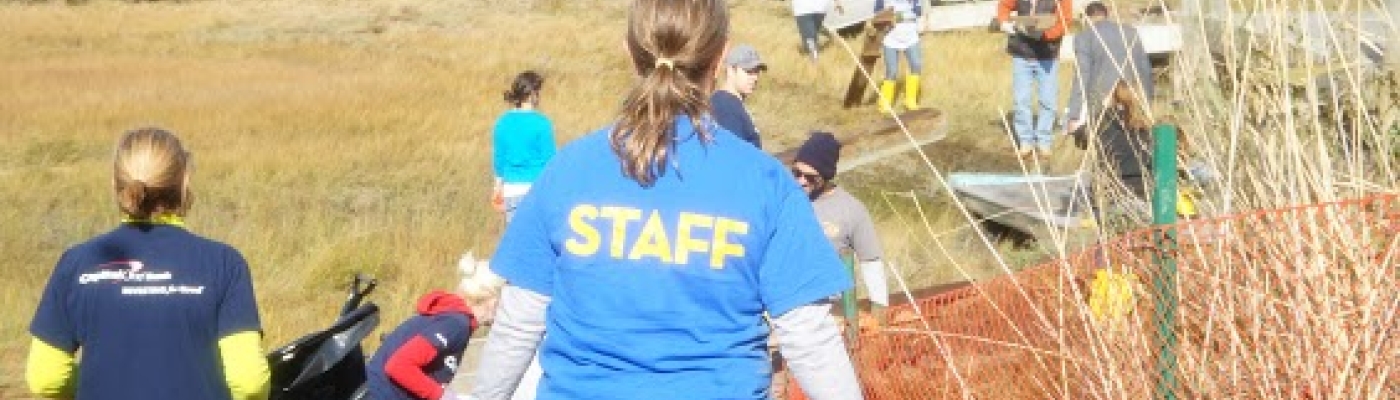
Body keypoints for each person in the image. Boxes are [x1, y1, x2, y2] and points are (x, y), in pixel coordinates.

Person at [470, 0, 862, 399]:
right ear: (721, 55)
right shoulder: (765, 181)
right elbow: (810, 338)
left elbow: (518, 323)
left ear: (629, 52)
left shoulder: (569, 170)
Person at [27, 127, 269, 400]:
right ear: (185, 181)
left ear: (115, 184)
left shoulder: (77, 263)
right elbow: (249, 382)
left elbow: (45, 378)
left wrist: (97, 383)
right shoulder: (224, 264)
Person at [790, 132, 890, 312]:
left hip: (828, 309)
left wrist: (879, 308)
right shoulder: (783, 200)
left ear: (826, 175)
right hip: (784, 304)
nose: (801, 181)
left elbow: (871, 261)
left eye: (810, 177)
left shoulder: (851, 210)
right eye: (796, 173)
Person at [365, 290, 478, 400]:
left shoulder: (447, 316)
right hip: (383, 393)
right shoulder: (456, 323)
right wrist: (443, 396)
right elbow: (399, 365)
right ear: (490, 301)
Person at [1065, 1, 1154, 139]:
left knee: (1107, 143)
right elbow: (1145, 70)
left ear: (1086, 19)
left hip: (1103, 103)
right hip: (1132, 96)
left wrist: (1074, 115)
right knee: (1136, 141)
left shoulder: (1083, 37)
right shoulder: (1130, 32)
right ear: (1107, 15)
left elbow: (1082, 76)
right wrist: (1147, 101)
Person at [997, 0, 1073, 157]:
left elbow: (1065, 20)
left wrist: (1044, 34)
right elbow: (1004, 5)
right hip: (1022, 53)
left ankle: (1043, 142)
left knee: (1048, 101)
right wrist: (1004, 21)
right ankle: (1026, 142)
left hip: (1047, 55)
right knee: (1021, 100)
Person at [492, 70, 557, 223]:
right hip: (536, 189)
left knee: (516, 241)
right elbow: (550, 160)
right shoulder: (542, 123)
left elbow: (499, 160)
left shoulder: (503, 122)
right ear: (532, 94)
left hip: (511, 190)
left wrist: (497, 188)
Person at [711, 43, 767, 149]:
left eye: (757, 72)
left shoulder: (731, 104)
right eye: (748, 71)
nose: (755, 78)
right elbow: (731, 155)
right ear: (731, 70)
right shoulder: (726, 108)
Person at [875, 0, 924, 113]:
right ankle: (884, 103)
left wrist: (899, 16)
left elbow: (918, 11)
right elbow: (877, 14)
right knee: (892, 71)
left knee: (916, 65)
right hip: (891, 37)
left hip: (910, 36)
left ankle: (910, 100)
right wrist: (888, 19)